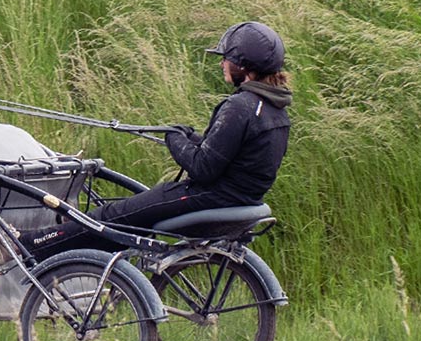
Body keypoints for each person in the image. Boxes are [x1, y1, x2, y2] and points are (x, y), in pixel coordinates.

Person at [24, 21, 293, 255]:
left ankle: (30, 244)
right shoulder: (274, 110)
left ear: (243, 65)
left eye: (226, 59)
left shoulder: (240, 107)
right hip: (237, 198)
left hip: (209, 196)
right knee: (127, 219)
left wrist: (174, 138)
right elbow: (231, 155)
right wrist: (191, 137)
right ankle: (78, 261)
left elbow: (203, 168)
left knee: (111, 215)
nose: (222, 63)